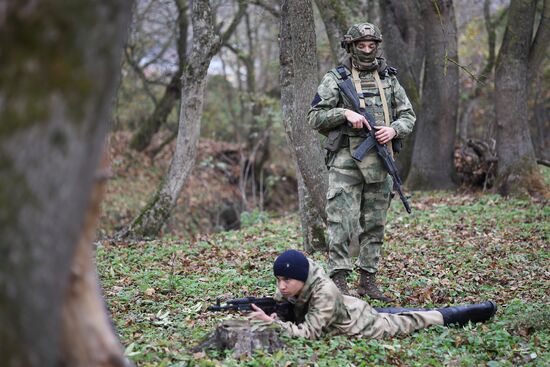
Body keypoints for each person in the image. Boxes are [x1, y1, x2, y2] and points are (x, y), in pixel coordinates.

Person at [308, 22, 416, 301]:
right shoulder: (336, 79)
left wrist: (393, 129)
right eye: (361, 45)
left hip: (381, 160)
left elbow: (408, 116)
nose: (367, 50)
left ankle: (368, 281)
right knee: (340, 222)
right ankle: (339, 281)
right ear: (351, 47)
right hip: (346, 161)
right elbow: (314, 116)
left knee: (375, 223)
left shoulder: (390, 80)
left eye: (371, 45)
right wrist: (344, 113)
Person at [249, 250, 497, 340]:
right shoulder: (293, 283)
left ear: (302, 279)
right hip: (349, 308)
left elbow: (309, 334)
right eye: (278, 280)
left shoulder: (324, 292)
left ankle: (478, 310)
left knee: (417, 319)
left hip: (361, 325)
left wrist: (275, 325)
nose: (281, 286)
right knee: (394, 314)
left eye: (286, 281)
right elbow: (281, 303)